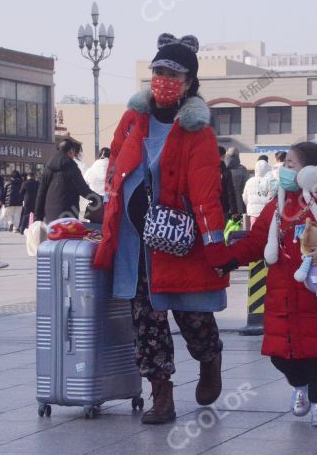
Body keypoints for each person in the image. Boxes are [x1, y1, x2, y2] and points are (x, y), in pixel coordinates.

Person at [92, 33, 232, 425]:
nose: (163, 78)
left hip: (178, 239)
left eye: (173, 73)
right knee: (147, 321)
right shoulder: (133, 118)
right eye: (158, 71)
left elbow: (206, 190)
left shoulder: (196, 130)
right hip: (135, 243)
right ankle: (162, 398)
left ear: (189, 82)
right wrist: (109, 217)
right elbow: (116, 168)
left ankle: (209, 359)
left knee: (192, 313)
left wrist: (214, 241)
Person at [214, 142, 317, 427]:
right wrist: (230, 259)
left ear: (311, 171)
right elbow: (256, 241)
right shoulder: (276, 208)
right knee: (281, 356)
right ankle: (300, 385)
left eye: (291, 165)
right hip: (282, 298)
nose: (284, 170)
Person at [34, 139, 97, 224]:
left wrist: (37, 218)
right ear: (71, 151)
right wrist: (98, 198)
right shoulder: (71, 167)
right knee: (67, 237)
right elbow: (83, 189)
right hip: (68, 216)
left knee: (53, 236)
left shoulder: (48, 168)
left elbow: (41, 193)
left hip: (50, 217)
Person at [242, 158, 273, 223]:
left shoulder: (249, 181)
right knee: (266, 230)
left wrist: (250, 205)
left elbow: (245, 197)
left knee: (254, 230)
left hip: (253, 212)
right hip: (266, 212)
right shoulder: (270, 181)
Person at [225, 147, 249, 215]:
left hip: (224, 206)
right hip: (239, 205)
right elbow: (247, 187)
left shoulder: (222, 169)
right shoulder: (242, 169)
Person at [217, 146, 238, 219]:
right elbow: (230, 192)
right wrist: (234, 211)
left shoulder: (206, 170)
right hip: (223, 206)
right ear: (223, 156)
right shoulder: (226, 172)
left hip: (208, 205)